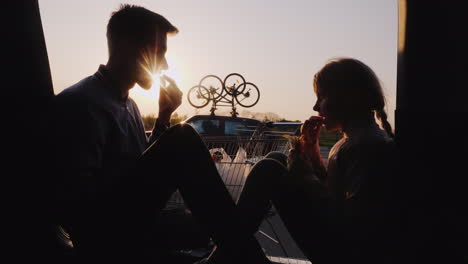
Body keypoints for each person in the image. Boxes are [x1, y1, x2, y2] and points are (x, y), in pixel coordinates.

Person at [53, 4, 270, 264]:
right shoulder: (82, 103)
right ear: (126, 46)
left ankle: (237, 252)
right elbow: (77, 205)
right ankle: (248, 258)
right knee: (182, 138)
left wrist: (164, 116)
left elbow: (139, 166)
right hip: (104, 237)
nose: (165, 65)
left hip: (125, 221)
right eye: (159, 53)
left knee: (201, 225)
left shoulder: (126, 104)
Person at [234, 57, 399, 264]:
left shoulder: (366, 147)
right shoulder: (354, 141)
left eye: (321, 97)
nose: (315, 107)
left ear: (345, 98)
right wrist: (312, 155)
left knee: (269, 169)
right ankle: (234, 249)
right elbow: (334, 191)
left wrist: (304, 174)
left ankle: (230, 249)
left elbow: (349, 222)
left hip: (346, 253)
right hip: (342, 242)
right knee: (277, 158)